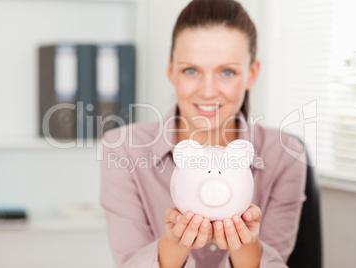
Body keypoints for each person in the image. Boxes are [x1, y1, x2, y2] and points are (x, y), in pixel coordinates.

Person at [100, 0, 307, 267]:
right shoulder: (123, 148)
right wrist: (173, 247)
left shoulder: (285, 155)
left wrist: (247, 249)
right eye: (191, 70)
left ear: (251, 74)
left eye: (227, 72)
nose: (208, 91)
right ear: (171, 70)